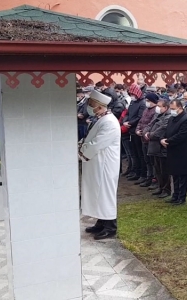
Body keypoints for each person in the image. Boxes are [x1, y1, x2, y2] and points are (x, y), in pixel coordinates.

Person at [80, 90, 122, 240]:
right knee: (97, 193)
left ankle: (110, 226)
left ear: (99, 106)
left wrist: (81, 152)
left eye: (91, 105)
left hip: (105, 164)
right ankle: (101, 222)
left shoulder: (110, 122)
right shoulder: (100, 118)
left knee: (104, 194)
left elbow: (97, 144)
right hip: (97, 163)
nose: (89, 108)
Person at [161, 99, 187, 205]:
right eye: (171, 109)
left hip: (182, 152)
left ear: (180, 107)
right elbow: (167, 131)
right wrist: (163, 138)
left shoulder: (186, 120)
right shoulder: (172, 118)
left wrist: (168, 141)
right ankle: (175, 195)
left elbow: (181, 135)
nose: (172, 111)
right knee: (174, 174)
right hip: (172, 150)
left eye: (173, 109)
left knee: (182, 176)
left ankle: (182, 197)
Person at [144, 99, 172, 199]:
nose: (158, 108)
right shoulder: (157, 115)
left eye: (160, 106)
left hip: (161, 148)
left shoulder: (168, 117)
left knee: (164, 170)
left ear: (166, 107)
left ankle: (166, 189)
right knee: (157, 169)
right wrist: (145, 132)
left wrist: (150, 135)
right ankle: (160, 187)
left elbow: (161, 130)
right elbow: (149, 125)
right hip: (154, 148)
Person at [124, 84, 146, 182]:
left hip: (137, 130)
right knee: (134, 153)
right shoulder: (132, 102)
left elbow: (139, 117)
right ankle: (136, 172)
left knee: (140, 154)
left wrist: (130, 123)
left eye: (133, 94)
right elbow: (127, 113)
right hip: (130, 131)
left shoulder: (142, 103)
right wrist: (125, 121)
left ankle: (142, 173)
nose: (132, 96)